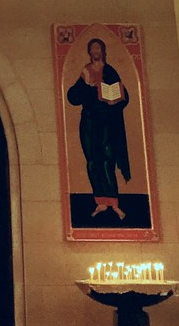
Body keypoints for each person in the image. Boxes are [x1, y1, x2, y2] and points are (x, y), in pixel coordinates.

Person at [67, 37, 130, 220]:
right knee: (93, 161)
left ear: (102, 51)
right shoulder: (86, 72)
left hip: (106, 121)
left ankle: (114, 202)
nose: (96, 51)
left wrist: (115, 98)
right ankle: (100, 202)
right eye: (93, 48)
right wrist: (90, 89)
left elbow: (124, 96)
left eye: (98, 48)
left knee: (107, 159)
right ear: (90, 52)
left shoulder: (110, 71)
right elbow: (73, 96)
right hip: (89, 120)